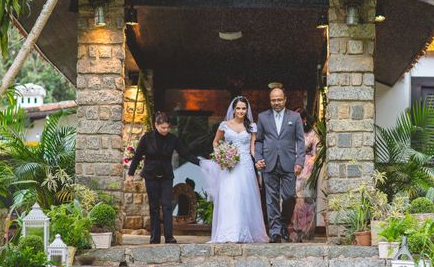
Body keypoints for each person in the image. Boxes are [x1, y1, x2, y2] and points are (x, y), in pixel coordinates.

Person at [200, 96, 269, 243]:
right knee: (229, 196)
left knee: (244, 197)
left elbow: (252, 148)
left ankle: (244, 231)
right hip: (229, 166)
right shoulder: (224, 125)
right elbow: (215, 142)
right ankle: (228, 232)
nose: (241, 111)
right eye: (238, 108)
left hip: (245, 166)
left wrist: (258, 160)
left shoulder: (251, 126)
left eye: (244, 108)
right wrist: (221, 154)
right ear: (233, 109)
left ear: (247, 110)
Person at [125, 111, 199, 244]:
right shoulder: (147, 138)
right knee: (154, 206)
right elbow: (137, 157)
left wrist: (201, 163)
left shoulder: (172, 139)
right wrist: (130, 174)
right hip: (151, 175)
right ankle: (155, 237)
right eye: (162, 127)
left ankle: (169, 236)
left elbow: (185, 154)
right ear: (156, 125)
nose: (165, 130)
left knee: (167, 205)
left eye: (167, 127)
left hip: (166, 175)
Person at [255, 88, 305, 243]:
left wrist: (299, 161)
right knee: (271, 199)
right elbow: (259, 140)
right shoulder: (263, 117)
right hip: (268, 164)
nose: (276, 102)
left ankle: (283, 223)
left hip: (289, 163)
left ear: (285, 99)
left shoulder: (295, 117)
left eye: (279, 99)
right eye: (273, 100)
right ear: (270, 101)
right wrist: (259, 157)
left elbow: (300, 141)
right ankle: (275, 231)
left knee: (289, 196)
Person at [288, 109, 319, 242]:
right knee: (289, 200)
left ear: (304, 119)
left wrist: (308, 164)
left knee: (304, 201)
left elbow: (317, 152)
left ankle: (305, 234)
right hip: (289, 167)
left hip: (306, 170)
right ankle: (292, 233)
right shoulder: (289, 133)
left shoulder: (312, 134)